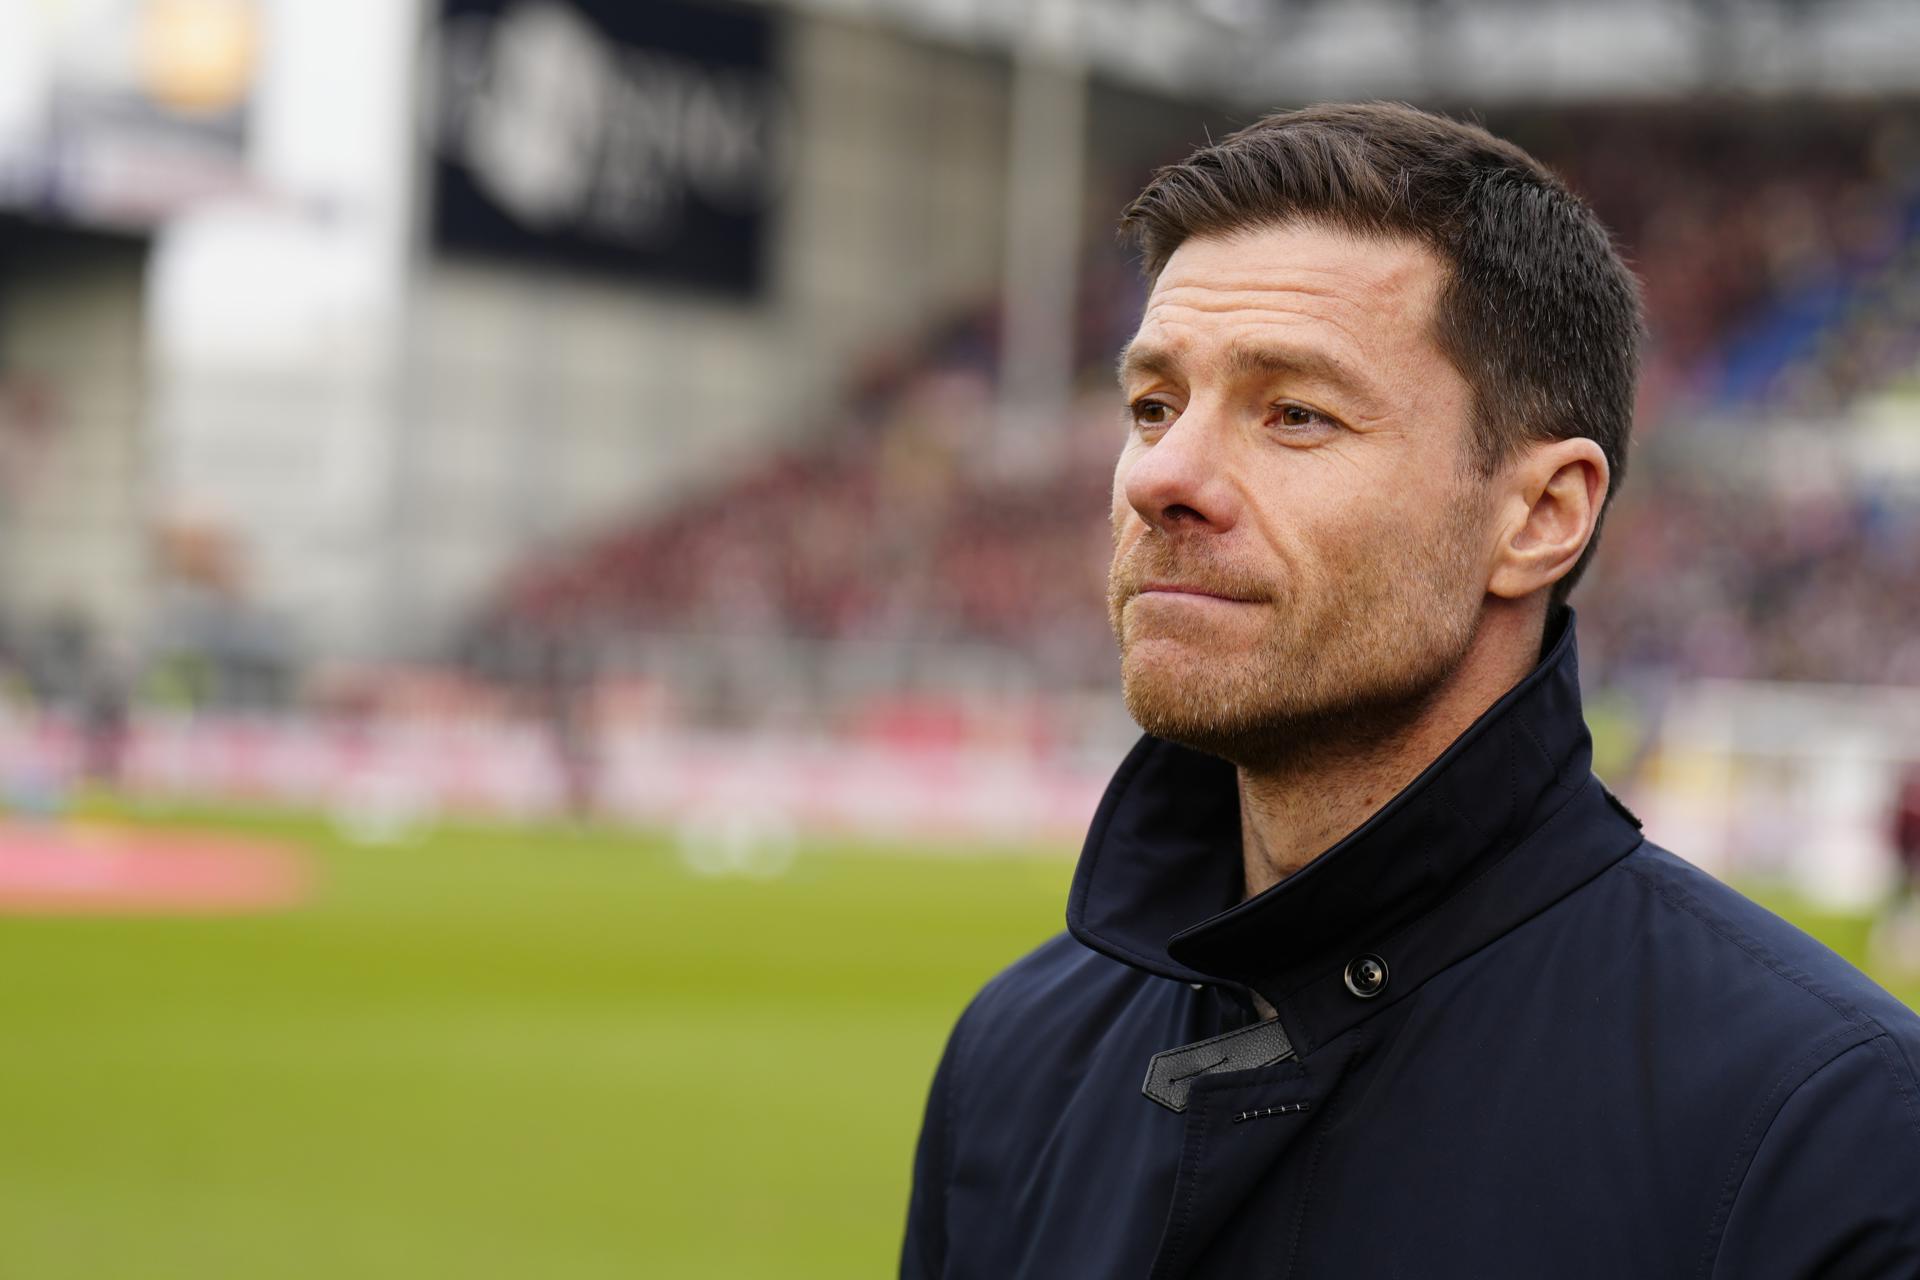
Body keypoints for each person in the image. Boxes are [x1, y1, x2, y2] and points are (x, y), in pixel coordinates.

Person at [899, 102, 1920, 1279]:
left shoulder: (1827, 1131)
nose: (1163, 475)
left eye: (1295, 412)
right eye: (1152, 404)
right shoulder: (1015, 1059)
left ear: (1539, 515)